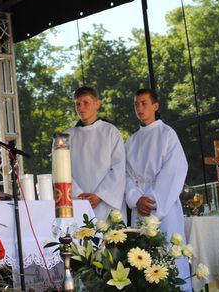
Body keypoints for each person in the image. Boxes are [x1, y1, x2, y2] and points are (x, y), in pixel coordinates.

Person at [125, 88, 189, 287]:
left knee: (168, 257)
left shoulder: (167, 134)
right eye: (136, 104)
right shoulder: (131, 140)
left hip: (163, 207)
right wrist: (136, 198)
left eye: (144, 103)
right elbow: (125, 174)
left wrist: (151, 202)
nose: (140, 108)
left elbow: (175, 171)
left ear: (155, 106)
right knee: (142, 262)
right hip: (139, 209)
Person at [65, 85, 125, 220]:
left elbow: (118, 167)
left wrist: (100, 195)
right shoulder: (67, 137)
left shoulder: (111, 132)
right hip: (77, 203)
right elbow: (63, 171)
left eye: (86, 102)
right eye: (77, 104)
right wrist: (78, 194)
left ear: (97, 104)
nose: (81, 107)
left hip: (105, 203)